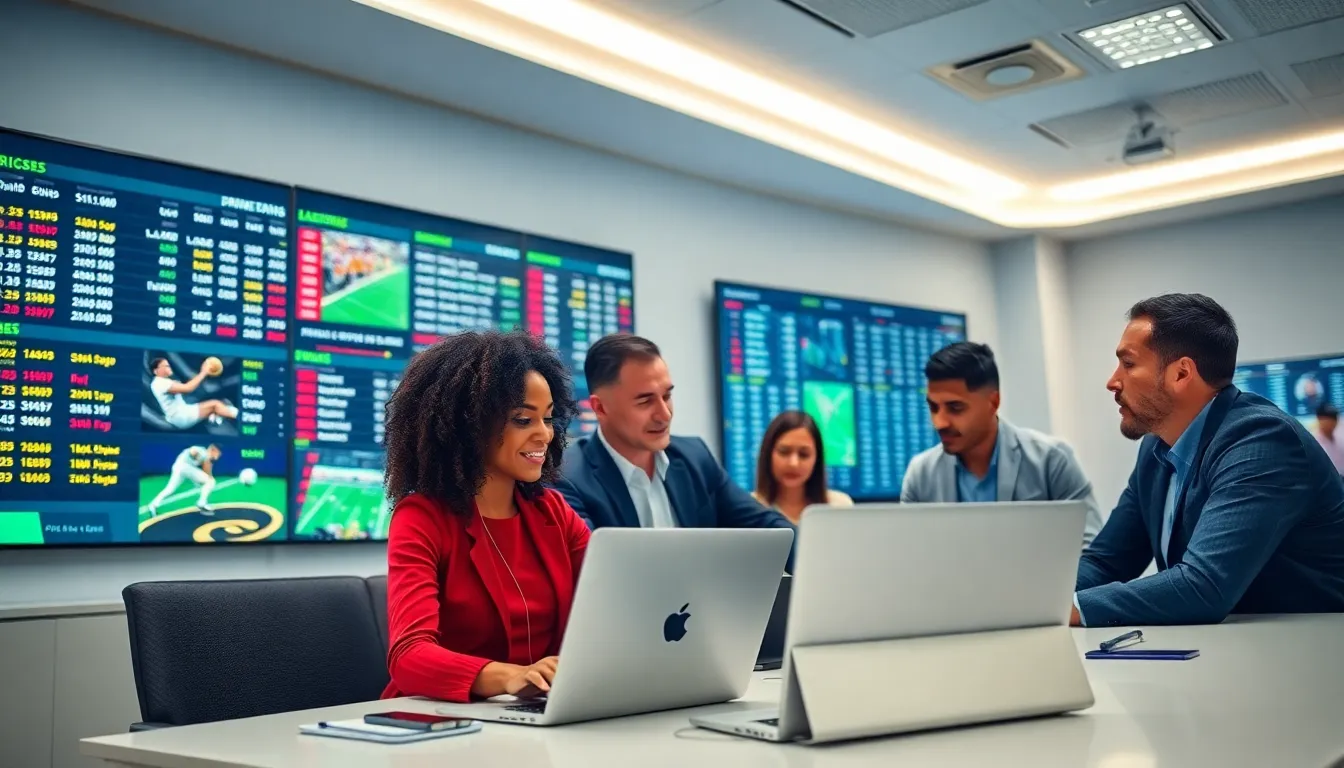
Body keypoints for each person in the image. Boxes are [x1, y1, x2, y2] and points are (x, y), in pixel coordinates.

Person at [1074, 294, 1344, 627]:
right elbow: (1106, 563)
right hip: (1229, 647)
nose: (1112, 381)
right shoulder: (1156, 448)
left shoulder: (1262, 440)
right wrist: (1041, 602)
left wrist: (1074, 608)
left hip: (1312, 648)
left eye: (1128, 364)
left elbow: (1203, 586)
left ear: (1181, 374)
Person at [381, 330, 590, 703]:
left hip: (535, 711)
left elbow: (612, 603)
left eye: (548, 418)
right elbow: (409, 656)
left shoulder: (553, 512)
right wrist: (510, 677)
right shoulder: (422, 518)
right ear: (470, 426)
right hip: (441, 718)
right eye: (523, 420)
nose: (544, 434)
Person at [552, 334, 793, 534]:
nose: (664, 414)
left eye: (667, 396)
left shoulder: (695, 457)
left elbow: (769, 527)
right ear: (601, 408)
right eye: (645, 401)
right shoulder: (567, 478)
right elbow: (592, 565)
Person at [900, 342, 1103, 547]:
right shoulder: (920, 475)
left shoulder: (1052, 460)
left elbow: (1091, 545)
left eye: (955, 408)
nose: (939, 423)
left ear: (993, 403)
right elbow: (909, 551)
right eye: (933, 408)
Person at [751, 410, 852, 523]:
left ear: (817, 459)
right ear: (768, 454)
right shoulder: (750, 509)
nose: (793, 463)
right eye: (784, 452)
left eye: (804, 454)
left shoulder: (839, 506)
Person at [148, 357, 238, 429]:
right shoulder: (161, 383)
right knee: (215, 405)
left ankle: (213, 418)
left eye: (168, 365)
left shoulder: (161, 382)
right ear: (156, 371)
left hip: (180, 412)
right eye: (165, 366)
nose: (169, 367)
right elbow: (188, 388)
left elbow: (187, 385)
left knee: (223, 403)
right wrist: (204, 372)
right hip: (180, 417)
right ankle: (243, 417)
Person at [146, 444, 220, 515]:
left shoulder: (207, 457)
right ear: (213, 449)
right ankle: (201, 503)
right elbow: (193, 451)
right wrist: (197, 456)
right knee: (210, 481)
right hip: (184, 467)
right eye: (217, 452)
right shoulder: (202, 450)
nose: (217, 455)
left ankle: (152, 505)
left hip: (179, 467)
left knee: (170, 489)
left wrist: (209, 476)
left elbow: (207, 469)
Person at [1314, 403, 1344, 477]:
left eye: (1334, 418)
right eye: (1328, 418)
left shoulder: (1340, 438)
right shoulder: (1314, 442)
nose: (1332, 422)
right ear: (1319, 419)